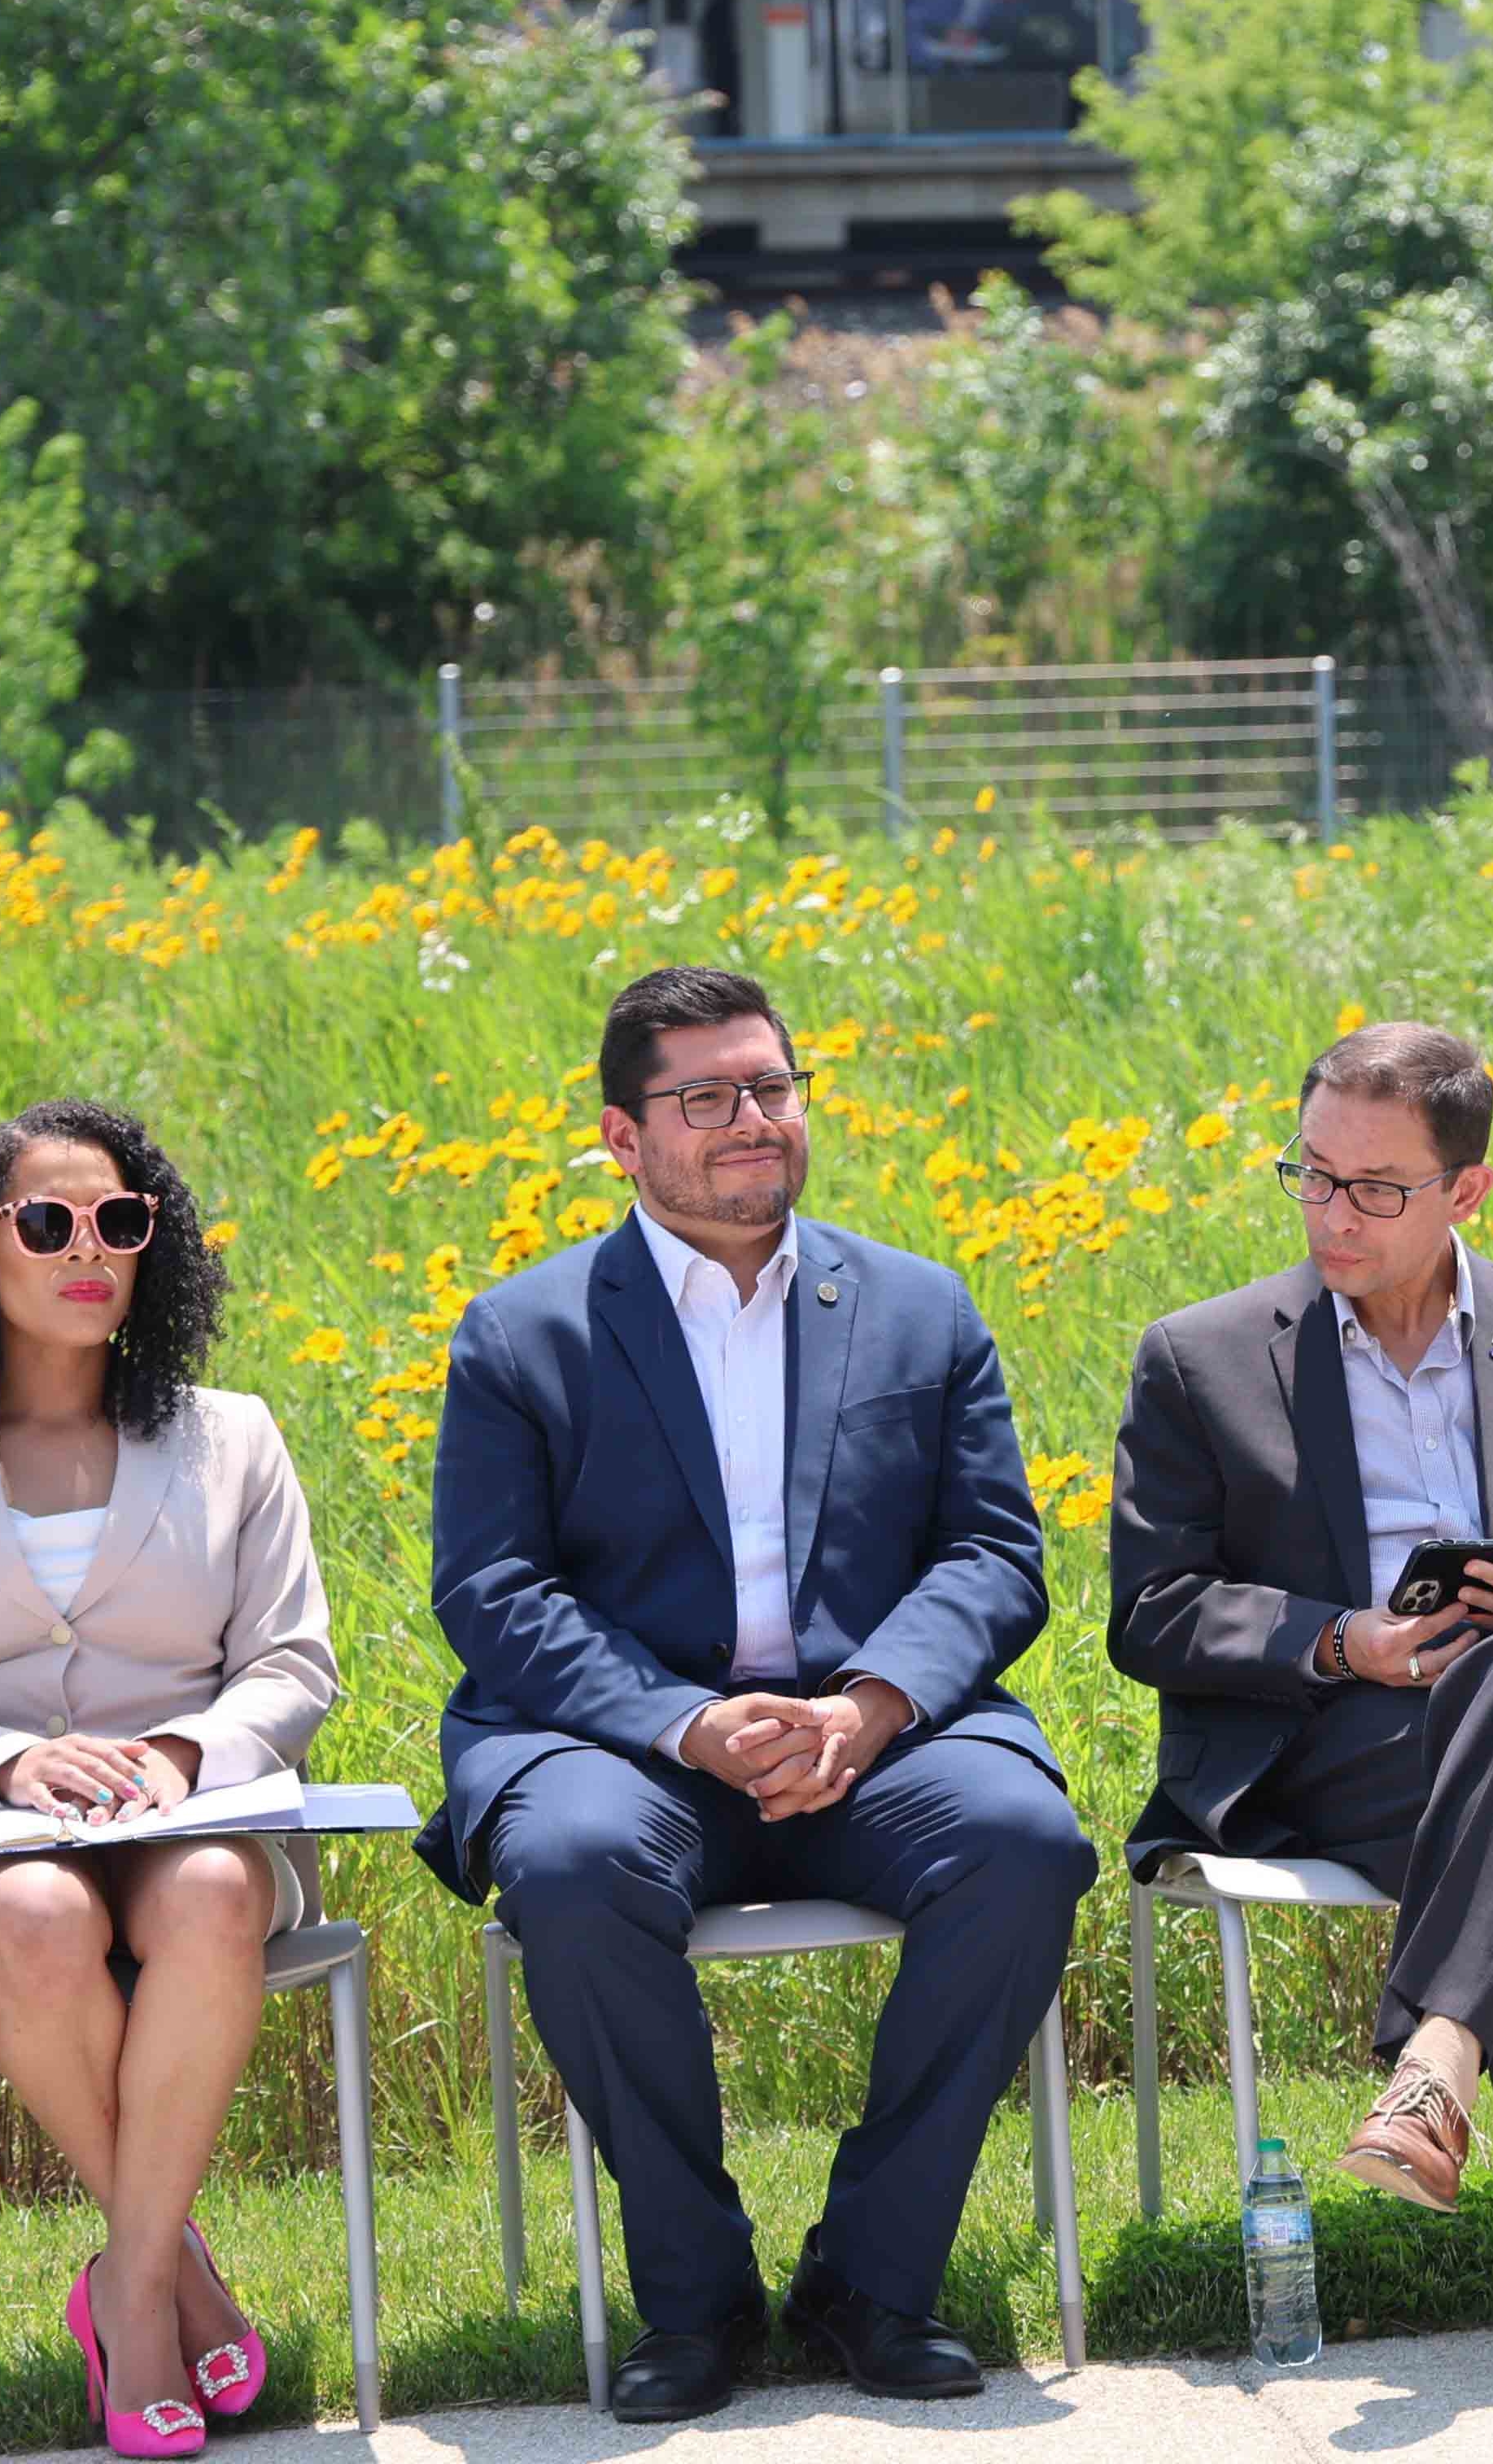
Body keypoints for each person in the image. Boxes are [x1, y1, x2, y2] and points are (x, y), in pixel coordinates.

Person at [423, 963, 1089, 2422]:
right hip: (631, 1750)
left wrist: (871, 1706)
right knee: (573, 1864)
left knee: (1022, 1842)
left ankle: (872, 2277)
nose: (750, 1119)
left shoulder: (918, 1306)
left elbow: (993, 1554)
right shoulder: (525, 1332)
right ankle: (695, 2299)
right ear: (621, 1134)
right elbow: (492, 1591)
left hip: (875, 1740)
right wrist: (688, 1722)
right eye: (705, 1096)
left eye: (772, 1088)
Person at [1106, 1021, 1493, 2392]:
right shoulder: (1201, 1358)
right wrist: (1345, 1643)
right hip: (1331, 1745)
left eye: (1377, 1188)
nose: (1335, 1213)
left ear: (1466, 1192)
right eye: (1312, 1176)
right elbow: (1149, 1613)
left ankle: (1436, 2060)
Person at [0, 1102, 335, 2461]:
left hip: (189, 1823)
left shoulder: (234, 1436)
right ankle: (168, 2292)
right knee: (41, 1916)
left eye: (120, 1221)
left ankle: (129, 2290)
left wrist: (179, 1753)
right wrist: (5, 1763)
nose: (87, 1248)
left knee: (213, 1895)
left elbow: (292, 1665)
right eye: (47, 1223)